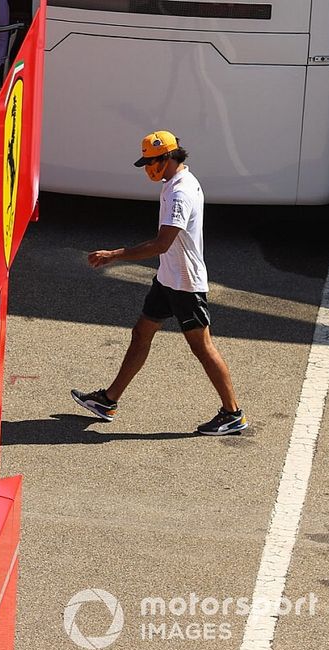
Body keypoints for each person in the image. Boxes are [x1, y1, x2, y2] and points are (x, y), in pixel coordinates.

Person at [71, 130, 248, 435]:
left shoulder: (181, 192)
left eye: (151, 162)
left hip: (185, 284)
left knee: (202, 348)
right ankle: (108, 401)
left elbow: (161, 244)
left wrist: (116, 254)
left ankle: (233, 414)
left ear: (167, 158)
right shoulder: (175, 183)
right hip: (168, 278)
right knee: (141, 333)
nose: (147, 169)